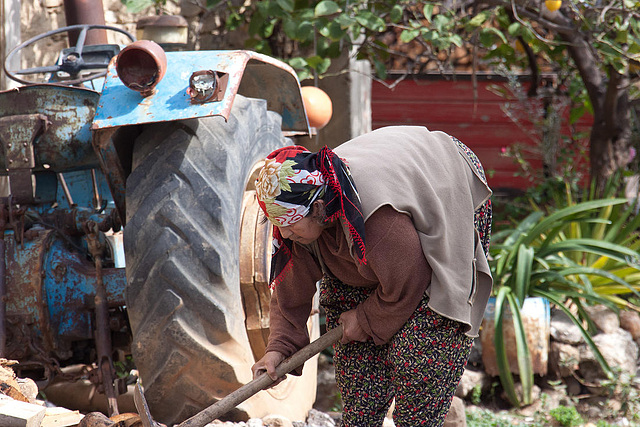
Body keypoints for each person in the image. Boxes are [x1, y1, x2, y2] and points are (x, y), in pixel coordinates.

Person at [251, 126, 493, 426]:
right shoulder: (298, 222)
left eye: (290, 224)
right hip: (383, 252)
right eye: (279, 225)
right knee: (356, 365)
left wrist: (364, 319)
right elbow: (290, 294)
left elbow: (409, 283)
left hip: (444, 176)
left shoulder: (376, 218)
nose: (284, 233)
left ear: (319, 207)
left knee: (420, 352)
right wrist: (278, 349)